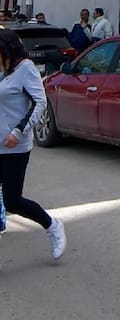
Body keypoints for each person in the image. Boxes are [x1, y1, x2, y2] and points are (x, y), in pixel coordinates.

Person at [0, 29, 66, 261]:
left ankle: (52, 226)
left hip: (14, 148)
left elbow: (39, 103)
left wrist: (18, 132)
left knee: (12, 201)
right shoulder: (3, 71)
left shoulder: (25, 70)